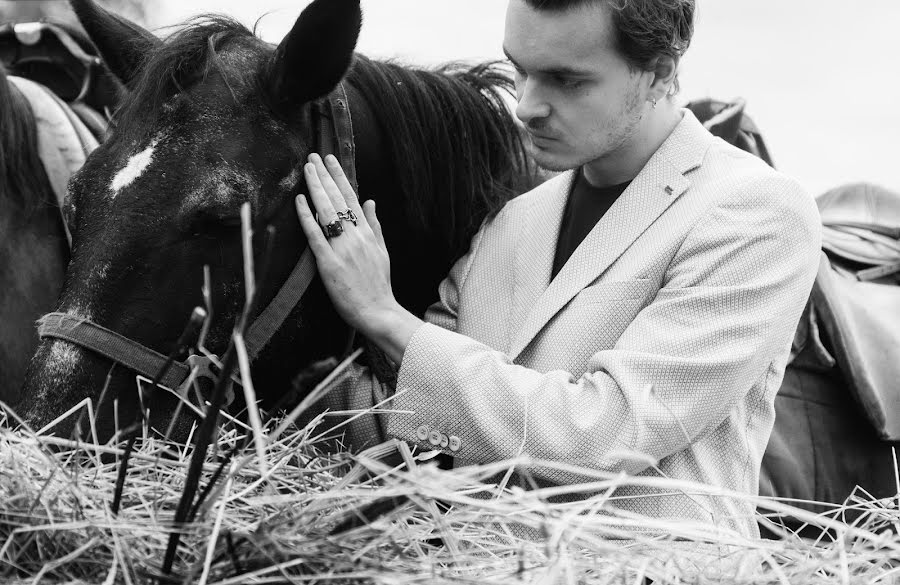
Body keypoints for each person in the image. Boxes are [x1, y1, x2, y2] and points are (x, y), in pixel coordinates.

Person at [293, 0, 821, 540]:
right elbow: (421, 415)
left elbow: (603, 433)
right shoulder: (510, 223)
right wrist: (258, 374)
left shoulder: (757, 213)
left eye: (566, 80)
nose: (525, 106)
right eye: (519, 69)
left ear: (661, 72)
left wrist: (383, 314)